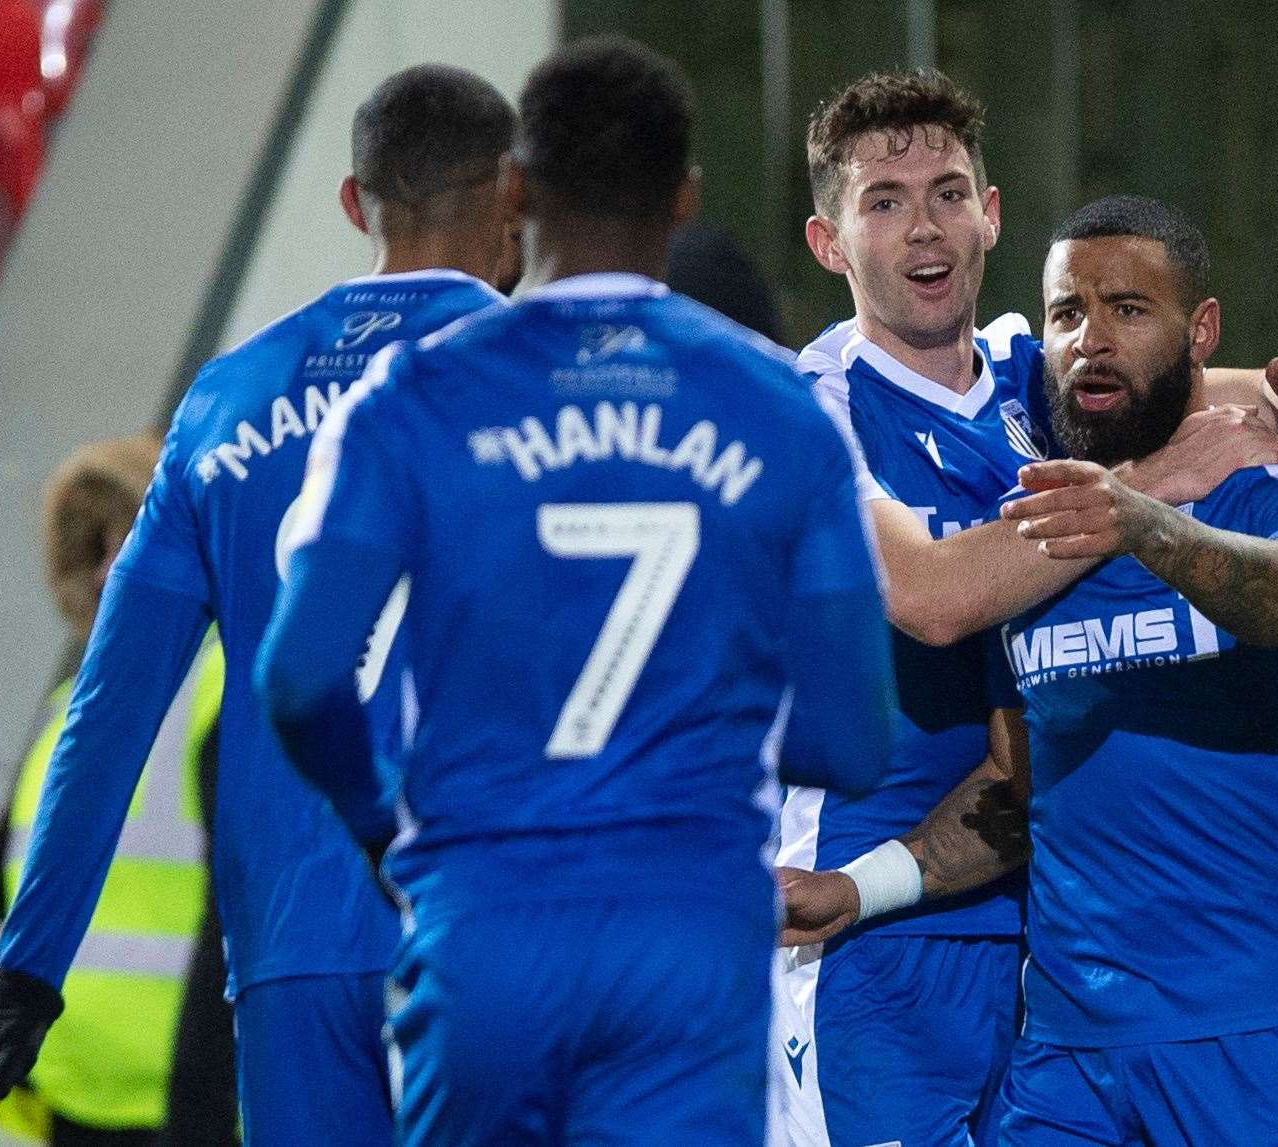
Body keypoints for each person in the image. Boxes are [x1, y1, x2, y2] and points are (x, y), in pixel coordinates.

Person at [255, 36, 895, 1147]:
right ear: (686, 199)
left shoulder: (408, 398)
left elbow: (301, 675)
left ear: (514, 185)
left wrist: (382, 831)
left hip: (483, 917)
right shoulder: (782, 411)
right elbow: (849, 736)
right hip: (691, 935)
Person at [0, 65, 521, 1145]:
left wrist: (29, 975)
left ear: (350, 202)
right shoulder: (559, 385)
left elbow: (109, 710)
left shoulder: (226, 404)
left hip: (290, 960)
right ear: (513, 196)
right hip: (509, 937)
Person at [776, 68, 1278, 1147]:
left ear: (990, 214)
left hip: (1043, 928)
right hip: (877, 944)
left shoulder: (1034, 368)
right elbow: (933, 595)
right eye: (884, 200)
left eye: (948, 192)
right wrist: (1143, 494)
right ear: (829, 243)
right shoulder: (812, 407)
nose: (925, 227)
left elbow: (1218, 398)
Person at [0, 433, 226, 1147]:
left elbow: (240, 912)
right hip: (71, 1103)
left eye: (124, 544)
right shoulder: (71, 705)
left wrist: (200, 1109)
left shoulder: (222, 689)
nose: (102, 574)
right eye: (93, 550)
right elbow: (1, 869)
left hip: (183, 1112)